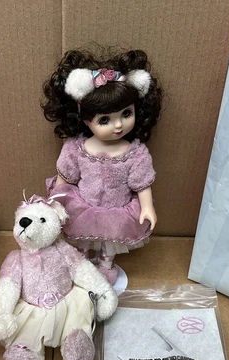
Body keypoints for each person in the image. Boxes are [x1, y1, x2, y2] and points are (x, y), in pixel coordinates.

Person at [43, 48, 163, 283]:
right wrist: (55, 201)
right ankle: (79, 264)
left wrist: (147, 207)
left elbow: (142, 184)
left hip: (117, 212)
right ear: (87, 121)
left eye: (126, 114)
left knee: (110, 242)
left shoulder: (135, 152)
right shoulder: (77, 148)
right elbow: (65, 178)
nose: (118, 126)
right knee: (81, 240)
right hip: (83, 207)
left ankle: (106, 266)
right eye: (105, 120)